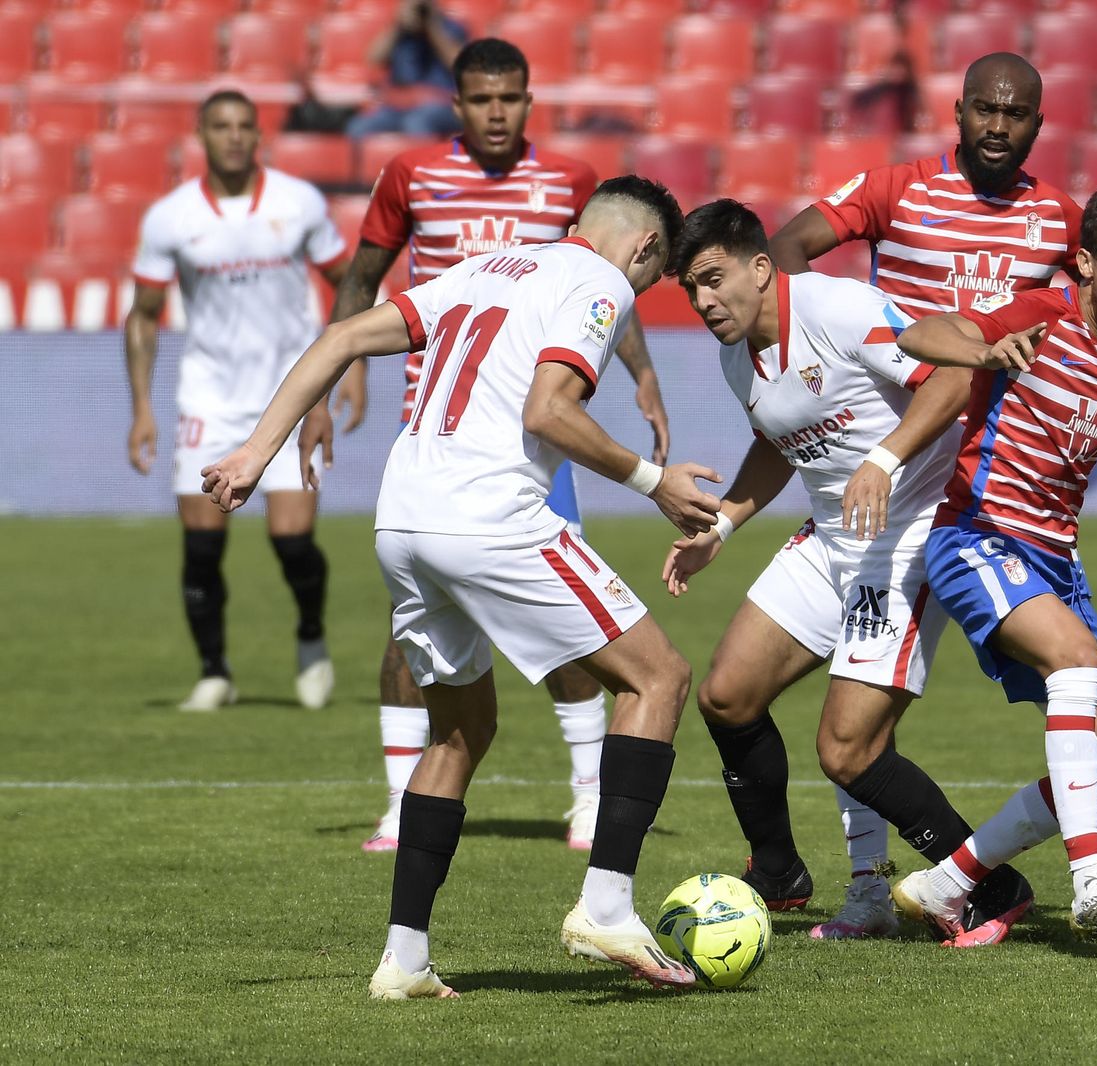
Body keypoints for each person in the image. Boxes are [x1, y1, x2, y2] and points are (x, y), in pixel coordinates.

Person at [766, 51, 1097, 934]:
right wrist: (950, 350)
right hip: (960, 522)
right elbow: (921, 319)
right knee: (1059, 664)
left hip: (1052, 552)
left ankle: (964, 876)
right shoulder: (1018, 298)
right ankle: (1090, 879)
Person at [204, 176, 712, 995]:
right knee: (659, 677)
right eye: (650, 277)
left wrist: (253, 454)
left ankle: (403, 961)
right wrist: (654, 480)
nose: (639, 290)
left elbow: (338, 337)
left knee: (461, 731)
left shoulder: (485, 267)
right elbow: (548, 412)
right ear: (646, 248)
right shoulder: (601, 282)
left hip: (402, 522)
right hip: (488, 517)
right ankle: (608, 905)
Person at [318, 38, 671, 854]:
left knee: (582, 618)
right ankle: (404, 799)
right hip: (439, 425)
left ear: (528, 99)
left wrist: (643, 373)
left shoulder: (575, 185)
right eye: (482, 99)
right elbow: (363, 273)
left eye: (510, 97)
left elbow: (609, 289)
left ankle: (587, 791)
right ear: (458, 103)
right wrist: (341, 381)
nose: (497, 112)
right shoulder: (412, 175)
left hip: (535, 440)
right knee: (414, 633)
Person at [662, 199, 1033, 944]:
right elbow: (777, 438)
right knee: (728, 696)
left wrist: (884, 460)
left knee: (847, 749)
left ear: (761, 268)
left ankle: (987, 887)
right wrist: (724, 524)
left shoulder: (841, 308)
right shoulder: (738, 356)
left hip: (908, 532)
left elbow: (953, 379)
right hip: (833, 536)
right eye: (690, 290)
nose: (704, 302)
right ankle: (778, 870)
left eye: (713, 280)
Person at [891, 183, 1097, 938]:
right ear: (1084, 262)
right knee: (1076, 659)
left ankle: (950, 883)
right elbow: (919, 334)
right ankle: (1092, 881)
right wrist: (983, 347)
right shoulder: (1037, 315)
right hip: (976, 537)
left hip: (1055, 561)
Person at [125, 89, 351, 713]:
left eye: (244, 126)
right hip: (209, 397)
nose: (232, 136)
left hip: (290, 392)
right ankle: (214, 672)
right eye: (220, 126)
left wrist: (344, 374)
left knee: (292, 542)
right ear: (201, 132)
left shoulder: (297, 203)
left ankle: (310, 636)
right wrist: (142, 406)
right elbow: (143, 316)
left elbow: (348, 282)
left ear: (259, 136)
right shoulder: (170, 217)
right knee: (202, 545)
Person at [346, 0, 468, 139]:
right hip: (399, 107)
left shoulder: (451, 27)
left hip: (440, 105)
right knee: (359, 126)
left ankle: (421, 161)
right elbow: (374, 58)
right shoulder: (400, 31)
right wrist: (397, 25)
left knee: (416, 122)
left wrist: (432, 26)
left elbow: (457, 63)